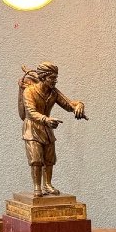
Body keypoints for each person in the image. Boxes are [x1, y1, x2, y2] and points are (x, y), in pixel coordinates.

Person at [18, 62, 87, 197]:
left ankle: (47, 184)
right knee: (36, 158)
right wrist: (46, 120)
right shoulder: (29, 91)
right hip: (32, 128)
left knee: (49, 158)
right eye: (52, 78)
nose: (55, 81)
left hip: (47, 128)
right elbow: (30, 112)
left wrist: (79, 105)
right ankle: (37, 186)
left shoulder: (53, 93)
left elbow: (68, 104)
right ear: (43, 77)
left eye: (56, 78)